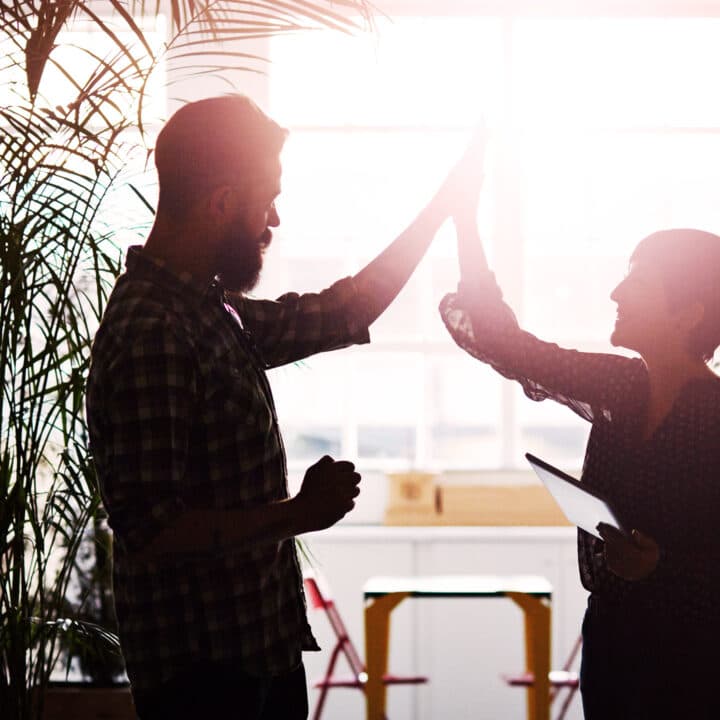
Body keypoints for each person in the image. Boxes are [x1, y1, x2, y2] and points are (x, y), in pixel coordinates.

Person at [86, 94, 467, 720]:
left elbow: (344, 310)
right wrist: (298, 512)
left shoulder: (208, 311)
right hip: (206, 683)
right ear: (222, 202)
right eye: (267, 199)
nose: (275, 219)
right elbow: (152, 531)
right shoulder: (155, 329)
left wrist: (441, 209)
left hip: (255, 656)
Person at [440, 141, 720, 719]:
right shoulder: (621, 386)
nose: (616, 293)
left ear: (688, 313)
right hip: (614, 640)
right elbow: (506, 344)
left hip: (693, 660)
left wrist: (660, 567)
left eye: (638, 282)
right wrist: (464, 219)